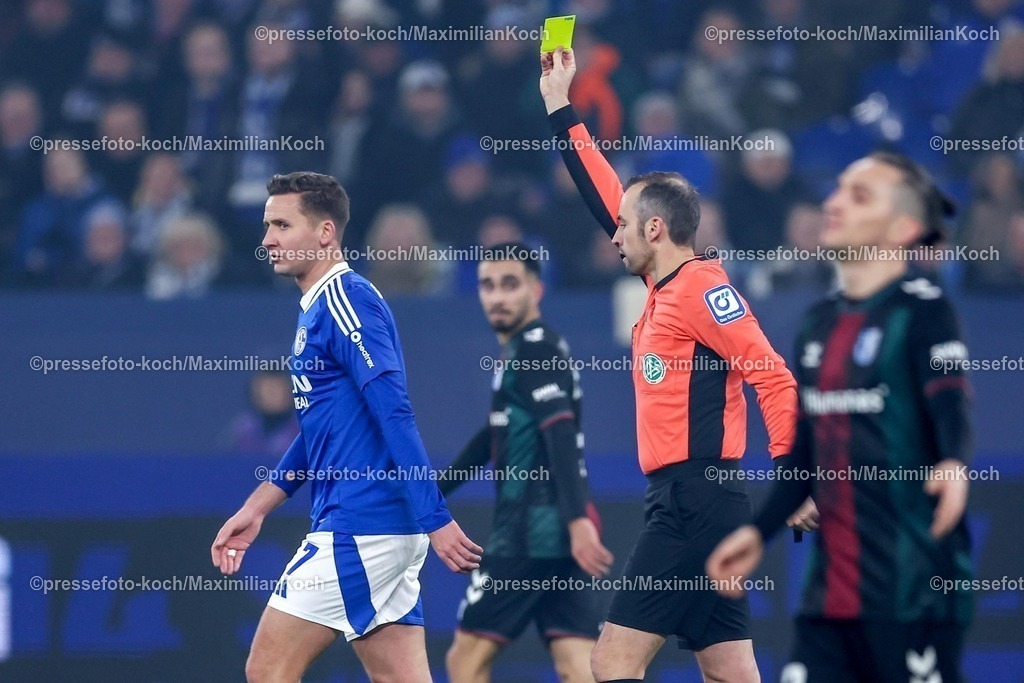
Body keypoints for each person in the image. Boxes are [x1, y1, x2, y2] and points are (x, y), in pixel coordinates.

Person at [540, 47, 799, 683]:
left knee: (612, 662)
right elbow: (606, 194)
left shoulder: (701, 291)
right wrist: (559, 107)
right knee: (729, 671)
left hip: (696, 501)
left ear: (655, 230)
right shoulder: (666, 286)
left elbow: (772, 373)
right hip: (693, 498)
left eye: (625, 226)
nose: (613, 234)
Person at [707, 152, 974, 683]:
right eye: (838, 188)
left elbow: (950, 401)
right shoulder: (818, 323)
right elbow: (805, 457)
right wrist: (757, 533)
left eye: (859, 195)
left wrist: (953, 461)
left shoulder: (924, 311)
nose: (833, 202)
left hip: (914, 597)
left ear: (902, 228)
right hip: (828, 600)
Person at [210, 171, 482, 683]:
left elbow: (394, 412)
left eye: (282, 225)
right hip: (382, 529)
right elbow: (323, 430)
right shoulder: (319, 307)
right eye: (267, 225)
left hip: (361, 527)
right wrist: (257, 506)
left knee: (267, 669)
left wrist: (436, 517)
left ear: (326, 232)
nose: (266, 239)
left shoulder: (346, 301)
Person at [442, 242, 612, 683]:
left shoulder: (536, 349)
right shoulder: (528, 348)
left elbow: (559, 433)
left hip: (527, 535)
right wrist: (432, 492)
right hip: (557, 538)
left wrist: (577, 522)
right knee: (578, 666)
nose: (497, 296)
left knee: (464, 662)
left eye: (510, 285)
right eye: (488, 285)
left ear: (535, 290)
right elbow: (493, 436)